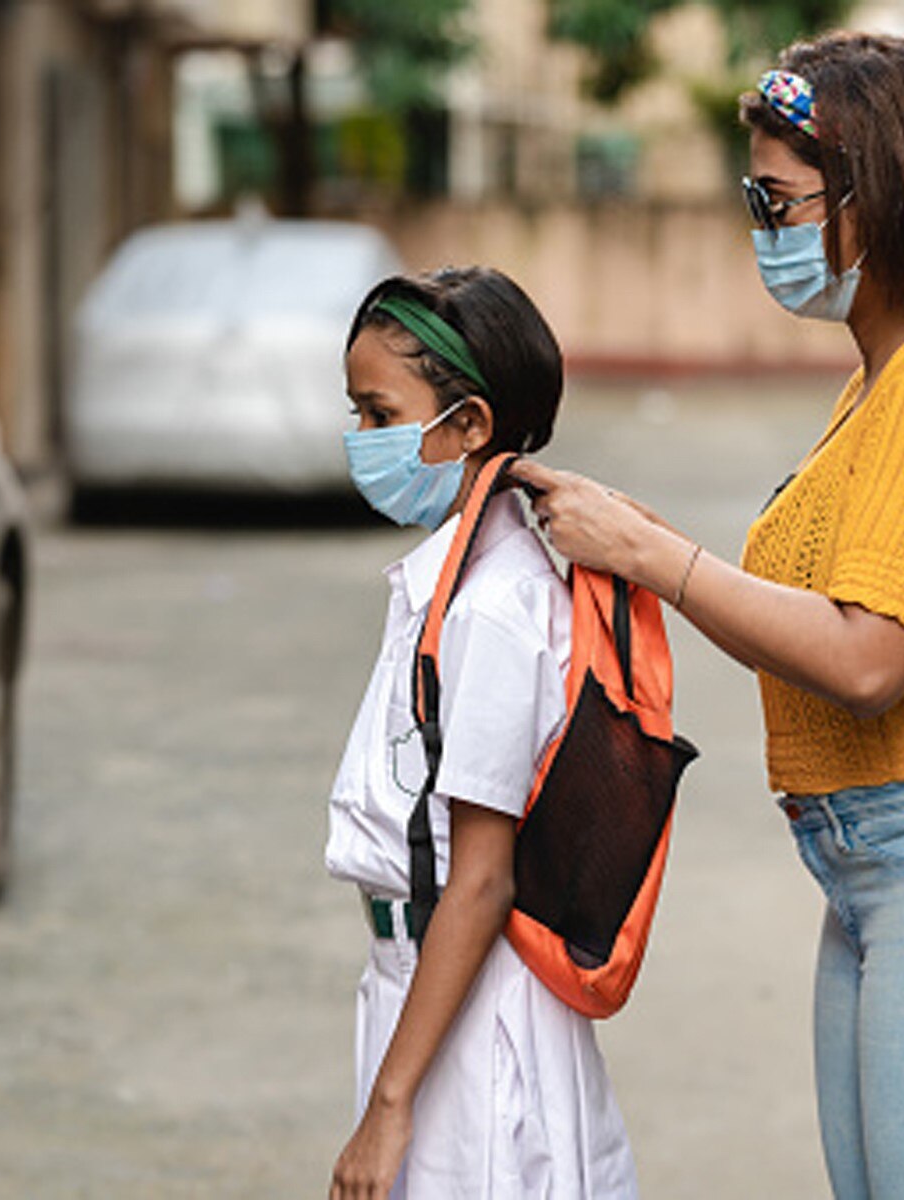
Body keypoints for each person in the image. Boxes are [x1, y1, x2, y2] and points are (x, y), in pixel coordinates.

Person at [513, 30, 904, 1200]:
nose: (761, 228)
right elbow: (814, 608)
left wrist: (653, 555)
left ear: (871, 200)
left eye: (777, 201)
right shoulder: (882, 380)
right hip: (886, 863)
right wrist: (634, 537)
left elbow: (866, 660)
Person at [325, 267, 637, 1199]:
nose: (360, 441)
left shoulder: (495, 608)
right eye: (356, 412)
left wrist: (389, 1106)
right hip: (425, 991)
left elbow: (482, 877)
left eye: (381, 415)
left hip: (474, 1016)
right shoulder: (453, 587)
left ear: (468, 427)